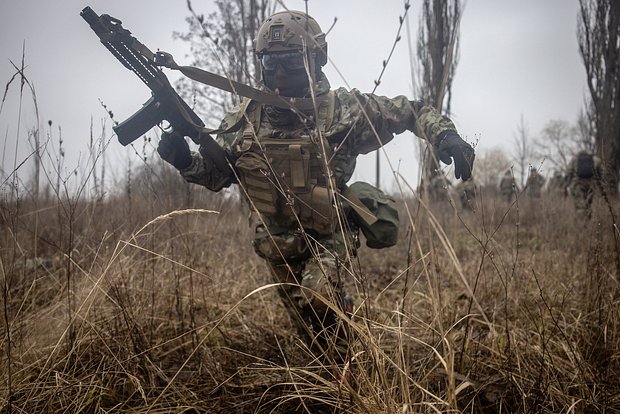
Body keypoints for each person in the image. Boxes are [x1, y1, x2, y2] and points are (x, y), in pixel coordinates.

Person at [156, 10, 475, 363]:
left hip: (329, 233)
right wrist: (185, 162)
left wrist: (445, 134)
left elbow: (410, 111)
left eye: (291, 62)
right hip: (276, 243)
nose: (278, 74)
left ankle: (351, 372)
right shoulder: (245, 117)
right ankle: (332, 367)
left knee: (319, 296)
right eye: (269, 63)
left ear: (315, 59)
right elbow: (223, 175)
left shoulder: (343, 110)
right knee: (310, 330)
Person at [566, 150, 601, 219]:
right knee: (588, 204)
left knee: (580, 205)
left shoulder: (574, 159)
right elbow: (600, 173)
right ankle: (588, 221)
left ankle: (582, 225)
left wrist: (568, 184)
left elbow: (569, 172)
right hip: (591, 185)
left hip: (577, 184)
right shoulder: (596, 160)